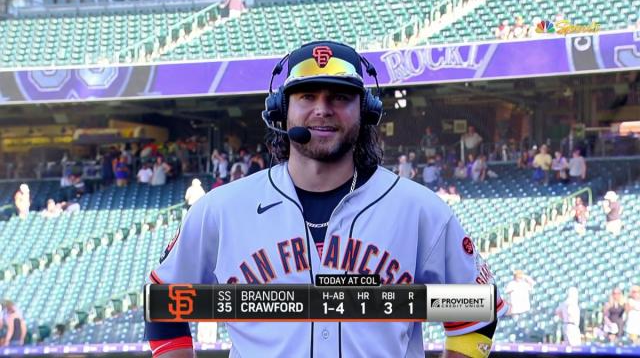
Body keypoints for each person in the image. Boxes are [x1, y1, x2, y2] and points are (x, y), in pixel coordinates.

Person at [145, 40, 505, 358]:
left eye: (340, 97)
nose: (323, 109)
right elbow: (163, 304)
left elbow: (477, 311)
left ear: (365, 111)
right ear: (281, 110)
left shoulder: (420, 211)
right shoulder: (221, 210)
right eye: (307, 96)